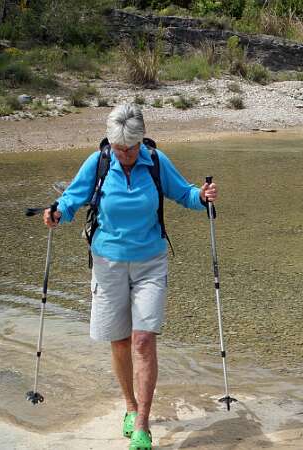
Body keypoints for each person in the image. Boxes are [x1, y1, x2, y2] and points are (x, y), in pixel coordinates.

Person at [40, 104, 217, 450]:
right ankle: (129, 405)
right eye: (119, 148)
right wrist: (57, 213)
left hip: (150, 262)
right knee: (119, 340)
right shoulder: (99, 162)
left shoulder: (155, 161)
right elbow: (72, 199)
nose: (124, 155)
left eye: (130, 149)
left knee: (143, 340)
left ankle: (142, 425)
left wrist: (201, 196)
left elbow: (184, 193)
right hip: (107, 263)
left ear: (140, 142)